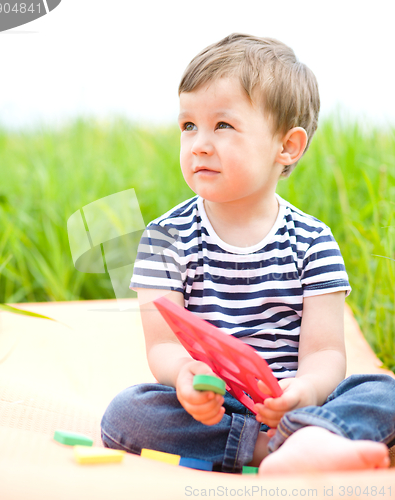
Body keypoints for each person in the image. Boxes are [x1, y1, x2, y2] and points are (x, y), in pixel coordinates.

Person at [100, 33, 395, 474]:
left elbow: (326, 354)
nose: (199, 143)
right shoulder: (166, 237)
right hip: (214, 408)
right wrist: (184, 378)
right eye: (188, 126)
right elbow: (163, 344)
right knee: (127, 412)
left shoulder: (313, 241)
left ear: (287, 146)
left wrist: (305, 393)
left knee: (382, 392)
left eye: (223, 125)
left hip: (293, 403)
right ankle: (275, 452)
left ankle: (307, 435)